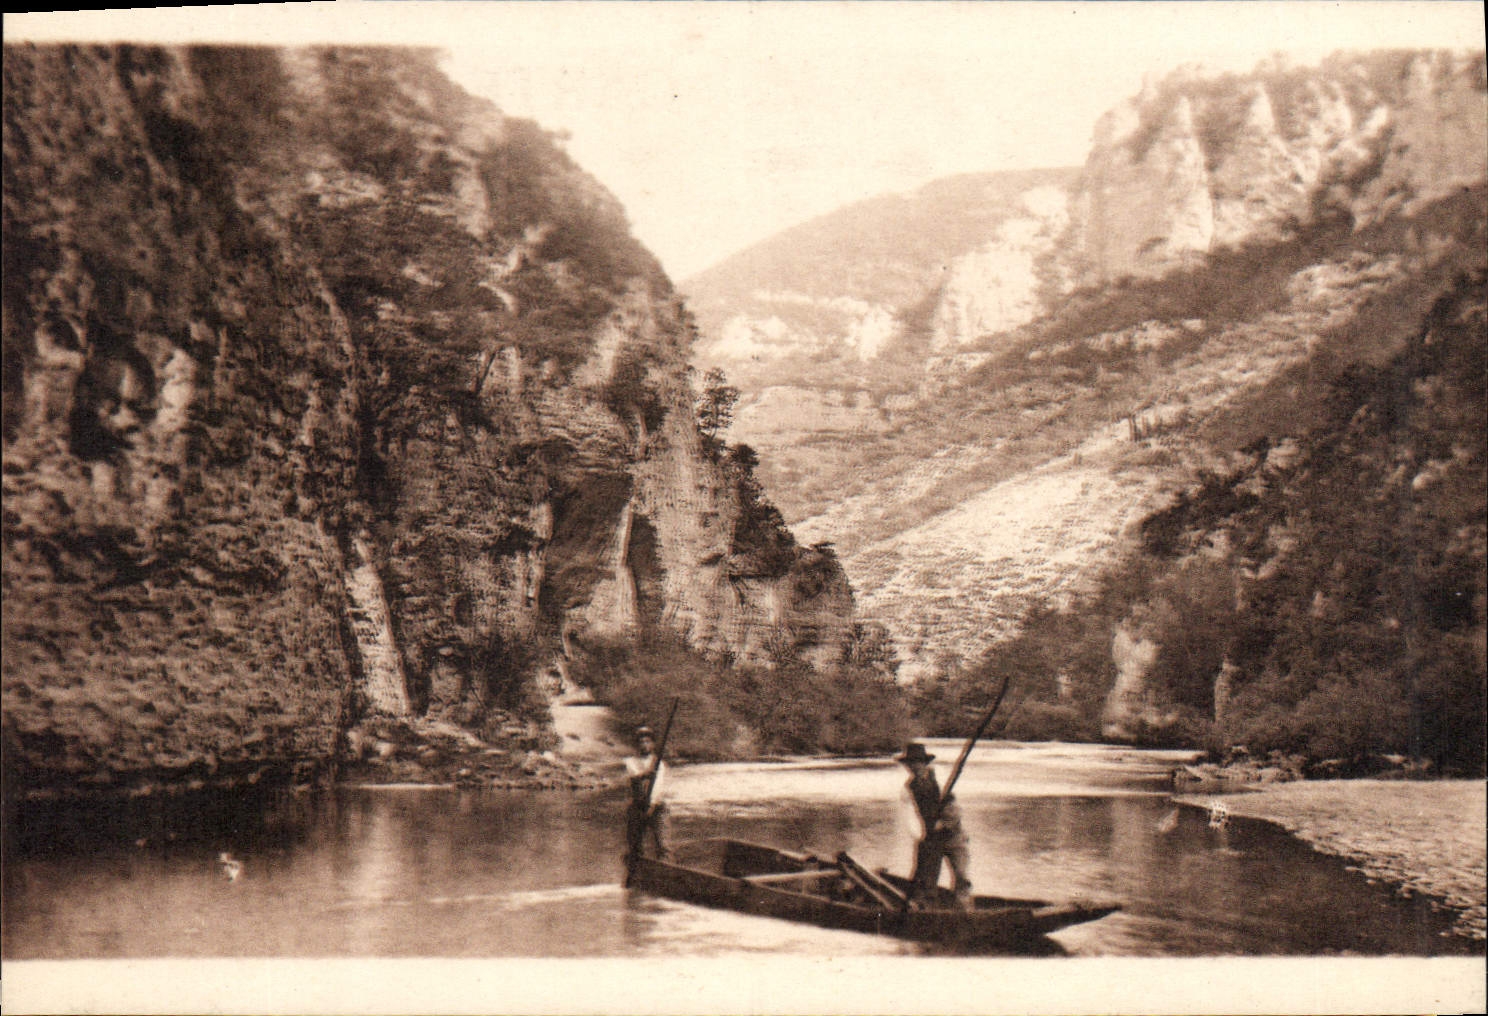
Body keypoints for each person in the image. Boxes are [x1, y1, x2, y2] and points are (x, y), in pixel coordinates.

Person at [896, 741, 973, 910]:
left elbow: (955, 809)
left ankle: (964, 912)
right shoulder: (909, 789)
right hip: (931, 838)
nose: (913, 767)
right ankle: (926, 911)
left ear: (924, 763)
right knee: (926, 880)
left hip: (954, 835)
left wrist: (944, 823)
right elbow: (911, 818)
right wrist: (923, 836)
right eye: (910, 764)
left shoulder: (944, 778)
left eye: (917, 763)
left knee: (961, 876)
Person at [623, 725, 670, 864]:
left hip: (657, 807)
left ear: (653, 744)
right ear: (637, 745)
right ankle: (635, 873)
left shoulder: (659, 764)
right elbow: (633, 777)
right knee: (635, 846)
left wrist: (652, 805)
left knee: (663, 846)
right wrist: (646, 775)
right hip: (638, 807)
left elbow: (658, 786)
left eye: (647, 741)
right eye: (641, 742)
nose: (644, 745)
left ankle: (666, 874)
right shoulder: (630, 762)